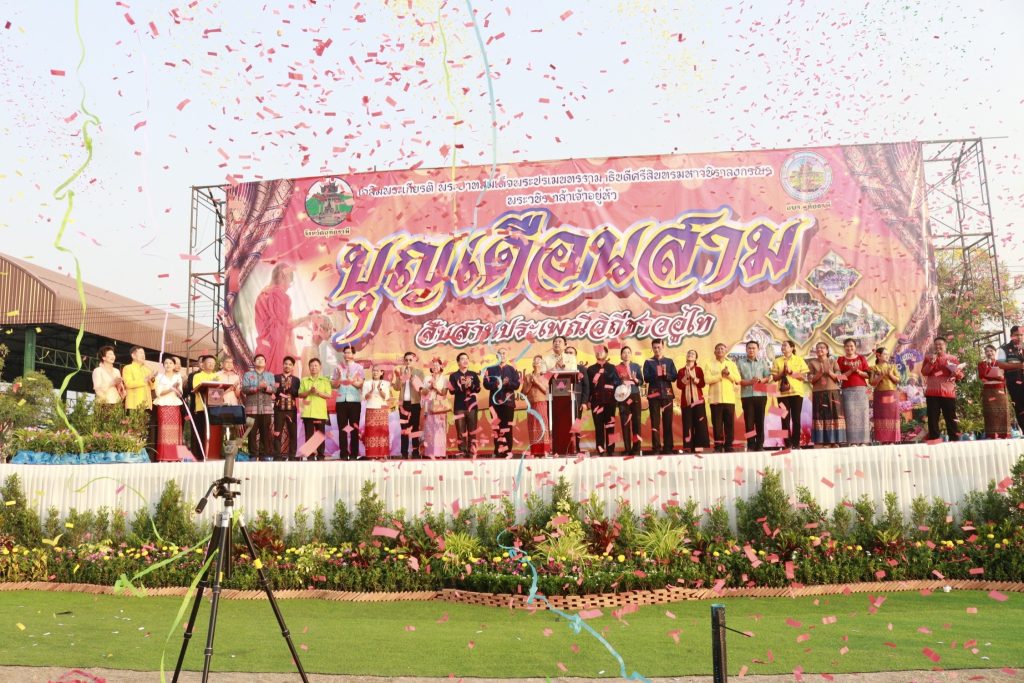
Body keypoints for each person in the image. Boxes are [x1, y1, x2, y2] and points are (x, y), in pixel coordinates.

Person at [253, 263, 308, 375]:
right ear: (283, 277)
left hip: (263, 347)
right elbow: (285, 324)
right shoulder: (279, 295)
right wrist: (306, 318)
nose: (288, 286)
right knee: (276, 381)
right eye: (289, 282)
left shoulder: (262, 294)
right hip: (276, 349)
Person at [921, 336, 964, 442]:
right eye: (936, 344)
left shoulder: (952, 358)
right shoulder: (928, 358)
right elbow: (924, 372)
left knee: (951, 417)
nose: (938, 346)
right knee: (932, 418)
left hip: (948, 392)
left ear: (945, 346)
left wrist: (956, 373)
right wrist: (931, 362)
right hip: (932, 392)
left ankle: (954, 439)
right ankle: (934, 439)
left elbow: (961, 375)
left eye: (940, 344)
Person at [642, 338, 678, 455]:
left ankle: (668, 448)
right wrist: (656, 374)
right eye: (655, 347)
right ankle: (656, 448)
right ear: (652, 348)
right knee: (655, 423)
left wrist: (666, 374)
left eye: (659, 347)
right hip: (654, 395)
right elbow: (646, 378)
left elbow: (674, 377)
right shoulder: (648, 362)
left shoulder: (669, 361)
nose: (657, 349)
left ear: (663, 347)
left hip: (667, 394)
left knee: (668, 422)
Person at [808, 342, 846, 447]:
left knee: (834, 415)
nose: (820, 349)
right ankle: (824, 441)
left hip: (833, 392)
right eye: (817, 348)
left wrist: (829, 372)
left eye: (822, 348)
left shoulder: (833, 361)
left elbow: (839, 377)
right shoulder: (812, 363)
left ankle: (834, 441)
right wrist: (819, 373)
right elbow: (811, 380)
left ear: (827, 350)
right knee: (821, 416)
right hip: (818, 392)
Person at [483, 347, 520, 457]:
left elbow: (517, 385)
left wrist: (508, 384)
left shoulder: (512, 369)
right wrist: (496, 384)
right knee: (496, 428)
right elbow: (485, 384)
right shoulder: (490, 369)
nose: (502, 355)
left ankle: (507, 451)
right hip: (494, 403)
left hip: (508, 403)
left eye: (504, 353)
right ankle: (498, 451)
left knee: (507, 427)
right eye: (500, 353)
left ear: (507, 356)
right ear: (496, 356)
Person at [736, 340, 772, 451]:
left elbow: (768, 377)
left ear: (758, 350)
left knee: (760, 421)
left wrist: (761, 380)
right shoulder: (740, 363)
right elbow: (737, 380)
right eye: (749, 348)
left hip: (761, 395)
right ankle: (751, 445)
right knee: (749, 422)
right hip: (746, 396)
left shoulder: (762, 362)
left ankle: (760, 445)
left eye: (753, 348)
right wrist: (750, 382)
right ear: (746, 349)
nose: (751, 350)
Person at [771, 341, 808, 449]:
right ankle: (787, 444)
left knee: (796, 419)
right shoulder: (777, 361)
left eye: (785, 345)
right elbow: (774, 378)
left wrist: (791, 372)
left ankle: (796, 444)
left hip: (797, 393)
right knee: (784, 419)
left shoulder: (799, 359)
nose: (783, 347)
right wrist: (783, 373)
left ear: (792, 348)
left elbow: (803, 377)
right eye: (782, 345)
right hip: (782, 395)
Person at [705, 343, 740, 453]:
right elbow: (707, 380)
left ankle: (729, 445)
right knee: (717, 425)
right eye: (718, 349)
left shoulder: (731, 364)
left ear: (726, 351)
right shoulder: (709, 364)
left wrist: (728, 374)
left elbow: (738, 379)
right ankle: (718, 446)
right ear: (714, 352)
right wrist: (720, 375)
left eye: (722, 349)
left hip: (729, 399)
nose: (720, 350)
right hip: (715, 399)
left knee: (729, 424)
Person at [587, 345, 622, 456]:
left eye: (601, 351)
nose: (599, 353)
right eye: (597, 352)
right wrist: (588, 400)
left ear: (606, 354)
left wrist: (617, 397)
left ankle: (611, 450)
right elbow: (589, 387)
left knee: (611, 426)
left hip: (610, 402)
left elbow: (617, 383)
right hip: (596, 402)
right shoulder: (591, 369)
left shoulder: (612, 368)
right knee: (598, 427)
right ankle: (600, 450)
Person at [331, 346, 365, 460]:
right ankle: (344, 454)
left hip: (354, 401)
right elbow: (334, 385)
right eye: (345, 352)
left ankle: (354, 454)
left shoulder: (359, 368)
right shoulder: (338, 367)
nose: (347, 354)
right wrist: (339, 379)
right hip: (341, 401)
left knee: (354, 428)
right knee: (343, 428)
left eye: (349, 352)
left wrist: (351, 381)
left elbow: (360, 385)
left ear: (353, 354)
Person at [242, 354, 277, 461]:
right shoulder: (248, 375)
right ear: (254, 362)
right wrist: (257, 387)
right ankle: (253, 455)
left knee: (265, 432)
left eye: (262, 359)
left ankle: (264, 455)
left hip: (266, 409)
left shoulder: (270, 375)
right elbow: (244, 389)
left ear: (265, 363)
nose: (260, 361)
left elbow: (274, 390)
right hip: (251, 409)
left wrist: (266, 387)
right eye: (258, 359)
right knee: (251, 432)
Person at [676, 349, 710, 453]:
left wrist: (694, 377)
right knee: (687, 424)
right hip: (686, 402)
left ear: (695, 358)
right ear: (686, 356)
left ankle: (699, 446)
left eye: (693, 354)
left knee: (700, 424)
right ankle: (688, 447)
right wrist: (686, 377)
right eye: (689, 353)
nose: (690, 355)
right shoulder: (681, 371)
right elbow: (679, 386)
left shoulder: (699, 370)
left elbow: (702, 384)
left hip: (698, 401)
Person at [837, 339, 871, 445]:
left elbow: (868, 375)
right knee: (850, 416)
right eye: (847, 346)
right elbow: (839, 377)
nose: (849, 348)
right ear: (844, 347)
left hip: (861, 390)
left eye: (851, 346)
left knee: (863, 415)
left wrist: (858, 371)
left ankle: (864, 441)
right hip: (847, 390)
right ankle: (852, 442)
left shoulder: (861, 358)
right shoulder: (841, 359)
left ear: (855, 347)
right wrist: (850, 371)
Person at [297, 358, 332, 460]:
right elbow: (300, 394)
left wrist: (317, 392)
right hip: (307, 412)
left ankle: (320, 455)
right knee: (309, 435)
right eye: (312, 365)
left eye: (316, 365)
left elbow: (328, 395)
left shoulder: (325, 380)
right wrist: (309, 392)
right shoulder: (304, 380)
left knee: (319, 435)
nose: (314, 367)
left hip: (320, 412)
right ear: (309, 367)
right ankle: (310, 456)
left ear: (320, 367)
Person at [123, 347, 155, 454]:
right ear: (133, 355)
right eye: (140, 353)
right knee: (132, 431)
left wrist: (152, 378)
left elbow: (153, 387)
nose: (143, 355)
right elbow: (128, 384)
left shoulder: (147, 369)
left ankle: (141, 453)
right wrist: (145, 380)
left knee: (144, 432)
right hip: (134, 404)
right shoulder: (128, 368)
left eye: (144, 353)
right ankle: (132, 453)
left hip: (146, 404)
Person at [449, 352, 481, 458]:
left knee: (472, 431)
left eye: (467, 359)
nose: (465, 361)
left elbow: (478, 388)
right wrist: (462, 386)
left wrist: (471, 386)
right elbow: (451, 391)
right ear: (458, 362)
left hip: (472, 407)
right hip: (459, 407)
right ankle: (462, 452)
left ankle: (472, 452)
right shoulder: (453, 376)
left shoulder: (473, 374)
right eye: (462, 359)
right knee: (460, 431)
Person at [394, 351, 425, 458]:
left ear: (414, 361)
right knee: (404, 429)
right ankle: (404, 453)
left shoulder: (419, 372)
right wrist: (400, 378)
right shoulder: (401, 372)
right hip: (403, 404)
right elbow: (396, 387)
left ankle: (415, 452)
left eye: (410, 360)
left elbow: (420, 388)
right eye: (406, 360)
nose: (408, 362)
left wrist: (411, 376)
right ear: (404, 361)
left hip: (415, 403)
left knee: (415, 428)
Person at [868, 347, 902, 444]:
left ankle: (892, 440)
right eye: (885, 354)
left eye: (888, 354)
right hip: (880, 394)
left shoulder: (892, 366)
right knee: (881, 416)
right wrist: (880, 376)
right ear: (878, 356)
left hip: (891, 393)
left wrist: (890, 374)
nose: (887, 356)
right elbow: (872, 383)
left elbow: (898, 380)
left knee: (892, 416)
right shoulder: (873, 368)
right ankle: (883, 440)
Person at [153, 356, 184, 461]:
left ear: (174, 365)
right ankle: (164, 456)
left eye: (171, 363)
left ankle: (175, 456)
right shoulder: (159, 377)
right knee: (164, 431)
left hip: (175, 405)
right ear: (163, 365)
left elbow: (180, 393)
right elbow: (159, 393)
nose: (168, 365)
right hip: (163, 406)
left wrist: (177, 388)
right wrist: (172, 388)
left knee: (174, 431)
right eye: (166, 363)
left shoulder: (178, 376)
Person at [191, 355, 220, 459]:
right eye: (209, 362)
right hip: (202, 408)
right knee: (201, 432)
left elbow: (220, 390)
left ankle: (213, 454)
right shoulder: (197, 376)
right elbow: (196, 388)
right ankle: (200, 456)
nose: (211, 364)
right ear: (203, 365)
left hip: (214, 408)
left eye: (213, 363)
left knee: (213, 433)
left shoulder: (217, 376)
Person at [616, 346, 644, 456]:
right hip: (623, 397)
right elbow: (614, 381)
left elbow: (641, 381)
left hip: (635, 395)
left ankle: (636, 448)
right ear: (621, 355)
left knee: (636, 422)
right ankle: (627, 449)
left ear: (631, 355)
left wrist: (635, 379)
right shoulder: (617, 367)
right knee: (625, 422)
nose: (626, 354)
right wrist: (621, 381)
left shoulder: (636, 366)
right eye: (624, 352)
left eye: (628, 352)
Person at [979, 344, 1011, 439]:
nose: (989, 353)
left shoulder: (1001, 363)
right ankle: (992, 434)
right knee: (990, 412)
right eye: (987, 351)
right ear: (985, 353)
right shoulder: (981, 364)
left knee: (1002, 411)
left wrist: (997, 376)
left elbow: (1004, 376)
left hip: (1000, 388)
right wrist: (993, 373)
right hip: (988, 389)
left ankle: (1004, 434)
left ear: (995, 352)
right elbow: (982, 376)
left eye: (991, 351)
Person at [420, 358, 450, 459]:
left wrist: (436, 387)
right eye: (433, 365)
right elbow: (422, 393)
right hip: (429, 405)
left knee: (439, 429)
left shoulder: (444, 379)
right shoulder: (427, 378)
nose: (435, 367)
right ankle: (429, 452)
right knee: (429, 429)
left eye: (437, 365)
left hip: (440, 406)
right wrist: (429, 388)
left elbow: (444, 393)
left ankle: (440, 453)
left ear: (441, 366)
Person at [996, 325, 1024, 430]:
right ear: (1011, 336)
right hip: (1014, 383)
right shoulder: (1003, 349)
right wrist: (1019, 366)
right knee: (1020, 407)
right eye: (1016, 335)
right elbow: (1001, 364)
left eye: (1021, 335)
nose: (1019, 337)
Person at [273, 356, 301, 460]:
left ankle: (292, 456)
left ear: (293, 367)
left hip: (291, 410)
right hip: (278, 409)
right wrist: (282, 389)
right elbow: (274, 391)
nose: (287, 366)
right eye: (286, 364)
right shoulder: (276, 377)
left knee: (293, 433)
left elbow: (297, 393)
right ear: (283, 364)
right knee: (277, 433)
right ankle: (277, 456)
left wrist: (289, 389)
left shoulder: (296, 380)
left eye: (290, 364)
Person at [522, 356, 550, 456]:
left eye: (539, 361)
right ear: (532, 363)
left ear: (542, 364)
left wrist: (537, 382)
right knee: (532, 428)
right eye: (535, 360)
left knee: (542, 426)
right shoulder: (527, 376)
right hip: (531, 405)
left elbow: (547, 392)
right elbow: (523, 393)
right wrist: (530, 383)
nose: (536, 362)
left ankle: (544, 451)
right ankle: (535, 452)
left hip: (541, 404)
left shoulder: (546, 375)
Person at [363, 364, 392, 458]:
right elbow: (365, 397)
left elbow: (386, 397)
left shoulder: (386, 383)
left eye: (377, 371)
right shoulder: (367, 383)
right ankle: (371, 455)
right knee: (371, 432)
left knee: (382, 432)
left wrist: (379, 389)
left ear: (381, 372)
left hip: (382, 410)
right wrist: (371, 390)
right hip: (371, 409)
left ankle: (382, 454)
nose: (375, 372)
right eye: (373, 370)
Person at [565, 345, 590, 452]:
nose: (569, 354)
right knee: (564, 425)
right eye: (567, 353)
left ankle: (576, 447)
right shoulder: (561, 368)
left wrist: (584, 402)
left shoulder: (581, 369)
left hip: (577, 402)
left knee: (576, 424)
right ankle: (565, 448)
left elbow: (586, 386)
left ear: (575, 355)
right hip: (562, 402)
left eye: (571, 353)